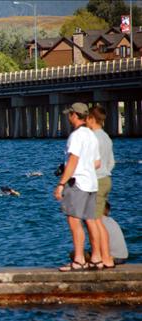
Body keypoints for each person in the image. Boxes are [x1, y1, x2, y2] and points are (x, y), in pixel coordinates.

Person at [54, 102, 101, 272]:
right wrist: (84, 167)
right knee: (91, 221)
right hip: (92, 183)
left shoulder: (76, 136)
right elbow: (97, 163)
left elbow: (73, 160)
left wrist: (61, 184)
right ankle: (96, 258)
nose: (68, 117)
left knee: (74, 222)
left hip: (78, 184)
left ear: (75, 115)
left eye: (69, 114)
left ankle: (79, 260)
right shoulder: (91, 135)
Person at [86, 106, 116, 269]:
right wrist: (105, 171)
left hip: (96, 181)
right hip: (105, 179)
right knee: (98, 221)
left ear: (91, 119)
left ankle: (103, 257)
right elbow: (111, 162)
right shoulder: (106, 137)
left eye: (87, 119)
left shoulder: (93, 138)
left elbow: (92, 163)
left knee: (94, 222)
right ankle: (105, 256)